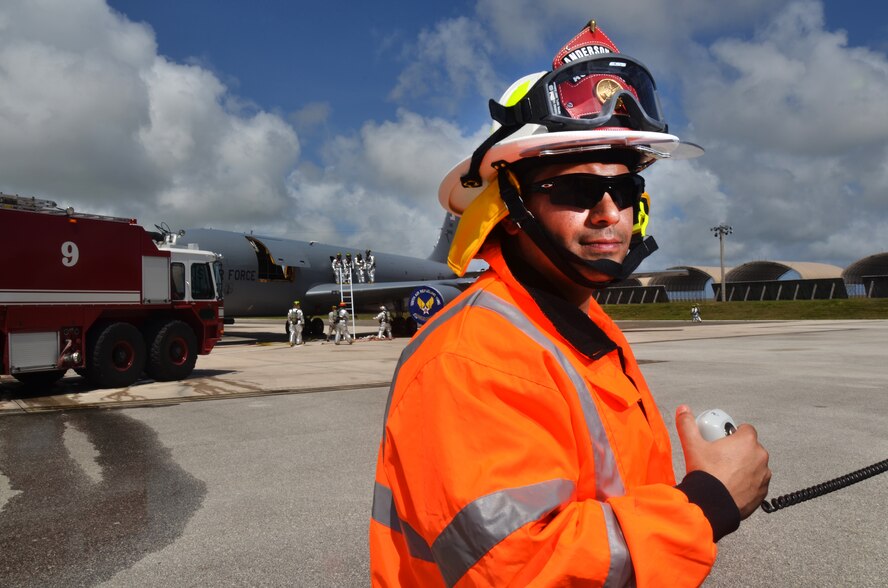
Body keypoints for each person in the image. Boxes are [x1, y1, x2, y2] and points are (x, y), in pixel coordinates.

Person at [370, 19, 770, 587]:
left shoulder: (576, 320)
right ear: (507, 211)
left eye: (626, 190)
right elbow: (516, 566)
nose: (610, 212)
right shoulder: (472, 358)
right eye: (578, 190)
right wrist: (706, 504)